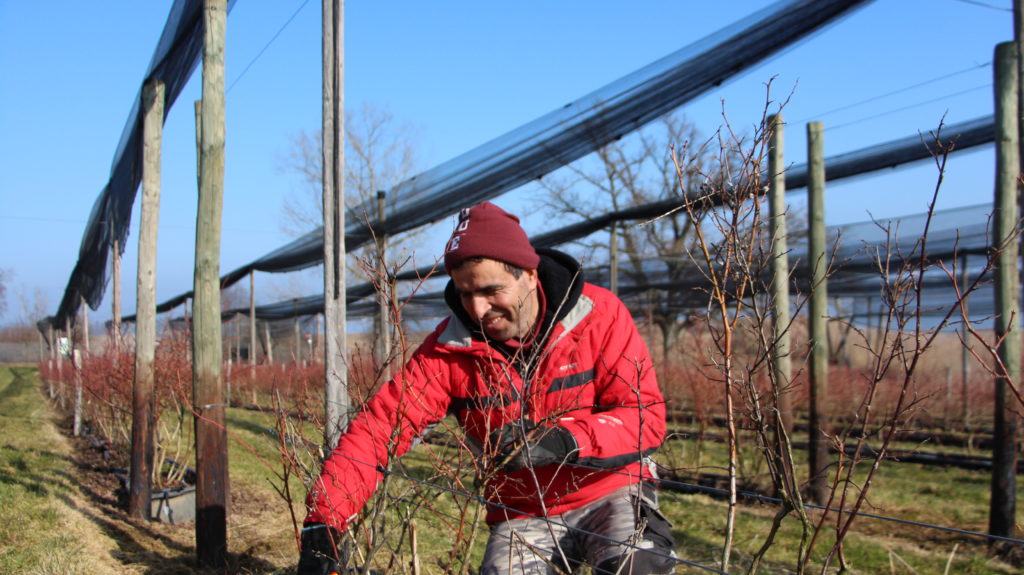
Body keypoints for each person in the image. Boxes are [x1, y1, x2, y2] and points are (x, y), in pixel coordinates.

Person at [299, 202, 676, 574]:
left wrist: (565, 441)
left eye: (491, 290)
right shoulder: (450, 349)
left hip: (610, 492)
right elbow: (380, 428)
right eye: (465, 293)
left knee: (638, 567)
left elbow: (645, 416)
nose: (478, 310)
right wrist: (325, 521)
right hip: (523, 510)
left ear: (529, 274)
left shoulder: (599, 316)